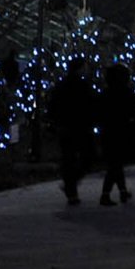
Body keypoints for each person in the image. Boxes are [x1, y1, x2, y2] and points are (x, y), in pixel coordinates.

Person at [50, 57, 97, 206]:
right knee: (87, 156)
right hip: (79, 126)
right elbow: (90, 104)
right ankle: (72, 186)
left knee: (69, 158)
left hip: (66, 126)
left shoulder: (61, 85)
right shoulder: (82, 85)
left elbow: (53, 105)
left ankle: (71, 189)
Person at [94, 63, 135, 205]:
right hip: (120, 131)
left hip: (108, 131)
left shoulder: (105, 93)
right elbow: (133, 111)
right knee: (115, 165)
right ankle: (105, 195)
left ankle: (122, 192)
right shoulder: (125, 92)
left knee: (115, 163)